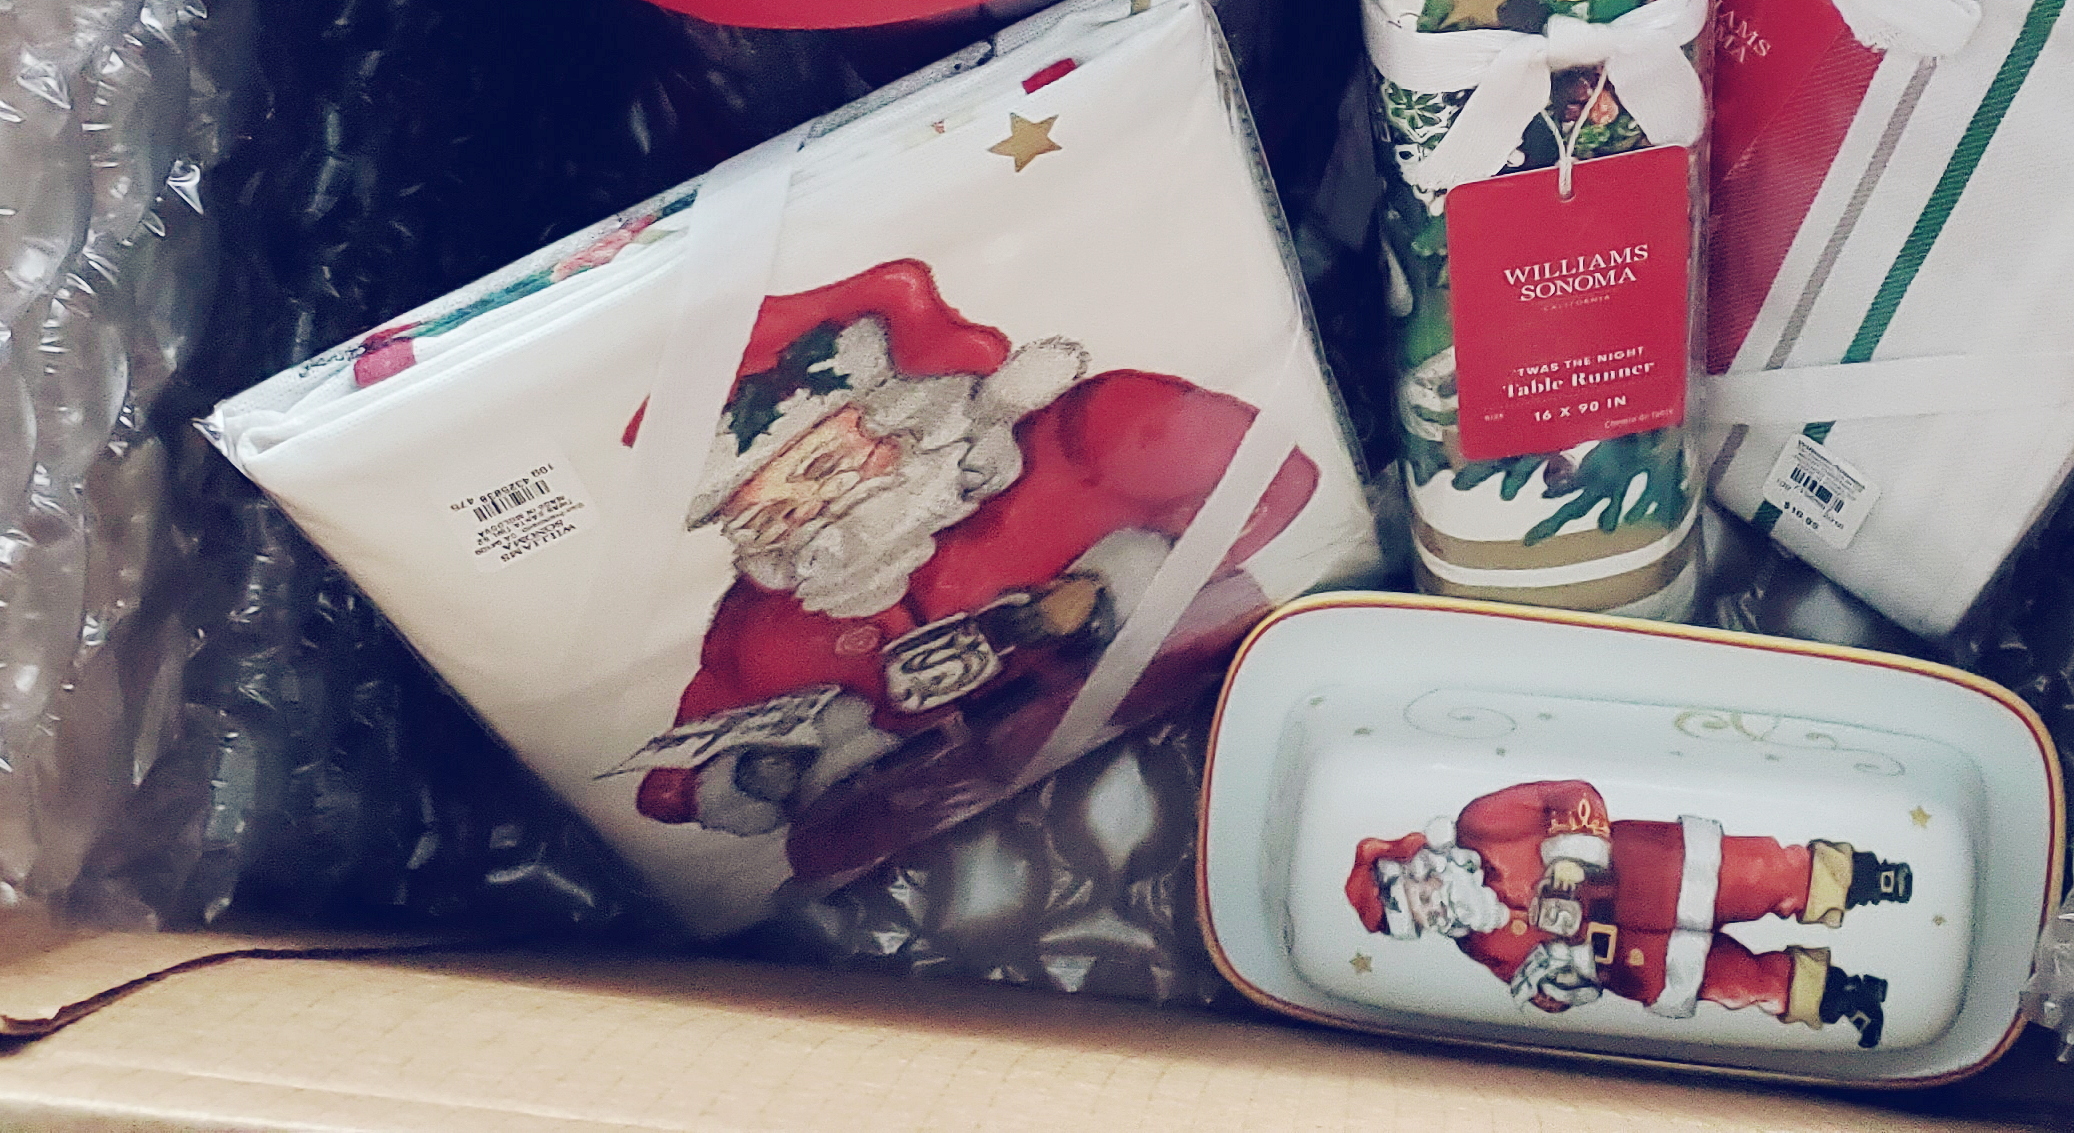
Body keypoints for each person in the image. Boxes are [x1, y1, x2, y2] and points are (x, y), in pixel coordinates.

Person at [625, 255, 1317, 886]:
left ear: (904, 416)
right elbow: (670, 782)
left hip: (1208, 741)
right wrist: (758, 774)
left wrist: (1106, 587)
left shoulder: (1081, 436)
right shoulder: (759, 625)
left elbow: (1275, 476)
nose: (821, 503)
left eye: (827, 465)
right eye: (775, 511)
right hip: (942, 873)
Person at [1345, 777, 1910, 1044]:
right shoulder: (1479, 942)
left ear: (1425, 866)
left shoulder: (1482, 823)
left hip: (1662, 869)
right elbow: (1540, 992)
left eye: (1424, 900)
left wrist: (1570, 862)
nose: (1438, 914)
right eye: (1424, 923)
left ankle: (1862, 879)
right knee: (1746, 984)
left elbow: (1573, 795)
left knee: (1768, 874)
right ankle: (1844, 997)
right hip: (1646, 964)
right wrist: (1559, 982)